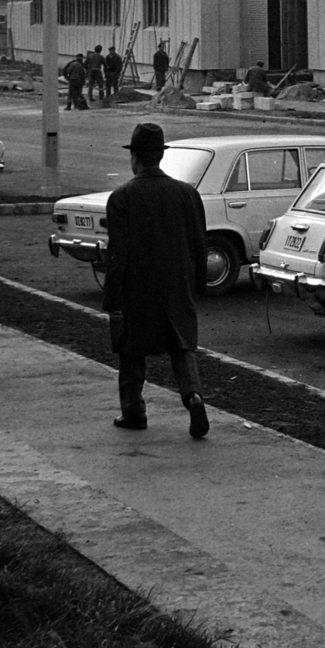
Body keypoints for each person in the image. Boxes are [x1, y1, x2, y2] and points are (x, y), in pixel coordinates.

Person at [103, 120, 209, 438]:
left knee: (131, 351)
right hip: (178, 286)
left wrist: (113, 301)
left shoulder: (121, 198)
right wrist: (197, 287)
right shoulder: (187, 194)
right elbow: (199, 246)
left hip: (138, 290)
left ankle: (133, 411)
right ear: (160, 156)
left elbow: (117, 255)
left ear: (135, 157)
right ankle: (194, 397)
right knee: (182, 347)